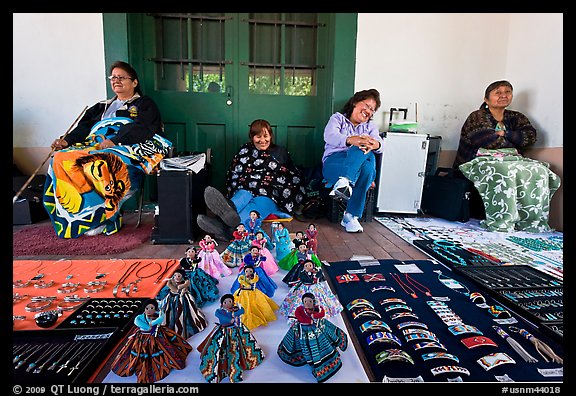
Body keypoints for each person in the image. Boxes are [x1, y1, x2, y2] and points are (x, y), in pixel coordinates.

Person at [44, 60, 172, 238]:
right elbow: (84, 128)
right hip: (95, 143)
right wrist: (67, 141)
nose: (116, 81)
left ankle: (105, 217)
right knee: (60, 158)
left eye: (121, 77)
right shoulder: (101, 107)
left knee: (103, 161)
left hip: (126, 145)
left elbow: (144, 128)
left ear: (134, 82)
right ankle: (82, 218)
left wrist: (117, 141)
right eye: (113, 77)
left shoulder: (144, 104)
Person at [454, 80, 561, 233]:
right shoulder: (477, 116)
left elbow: (530, 137)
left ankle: (531, 222)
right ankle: (502, 221)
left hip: (512, 159)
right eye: (498, 92)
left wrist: (506, 133)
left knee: (540, 171)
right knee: (504, 171)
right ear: (486, 99)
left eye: (507, 92)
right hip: (476, 160)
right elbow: (487, 140)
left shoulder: (517, 117)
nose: (503, 95)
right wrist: (515, 140)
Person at [197, 119, 306, 241]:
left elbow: (290, 174)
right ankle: (226, 215)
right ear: (251, 137)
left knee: (252, 209)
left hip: (269, 194)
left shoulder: (280, 152)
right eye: (258, 137)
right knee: (242, 196)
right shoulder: (245, 150)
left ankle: (224, 228)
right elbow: (235, 172)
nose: (263, 140)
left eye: (266, 136)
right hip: (246, 188)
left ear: (271, 135)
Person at [322, 89, 384, 233]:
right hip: (335, 163)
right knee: (367, 166)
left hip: (356, 167)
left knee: (366, 155)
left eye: (372, 110)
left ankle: (344, 184)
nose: (369, 111)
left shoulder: (370, 127)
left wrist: (376, 144)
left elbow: (380, 144)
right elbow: (329, 136)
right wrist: (350, 140)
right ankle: (350, 216)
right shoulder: (337, 119)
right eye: (367, 106)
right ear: (355, 102)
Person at [111, 298, 192, 383]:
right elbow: (139, 323)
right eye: (147, 308)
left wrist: (155, 322)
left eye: (152, 308)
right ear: (144, 309)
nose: (149, 310)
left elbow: (160, 320)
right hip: (142, 338)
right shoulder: (139, 317)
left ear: (155, 309)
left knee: (166, 346)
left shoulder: (158, 315)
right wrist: (150, 325)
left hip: (157, 335)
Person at [277, 292, 348, 383]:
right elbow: (297, 314)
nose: (307, 303)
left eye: (309, 301)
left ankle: (325, 362)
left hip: (315, 328)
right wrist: (306, 319)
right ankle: (304, 357)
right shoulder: (300, 309)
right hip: (303, 328)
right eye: (305, 301)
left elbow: (321, 314)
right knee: (300, 342)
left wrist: (315, 314)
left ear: (313, 302)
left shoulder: (316, 309)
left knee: (322, 340)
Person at [197, 294, 265, 383]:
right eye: (225, 302)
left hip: (235, 329)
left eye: (230, 301)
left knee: (241, 345)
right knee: (218, 346)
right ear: (222, 304)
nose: (228, 303)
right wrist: (230, 319)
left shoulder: (234, 310)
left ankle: (243, 361)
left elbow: (242, 311)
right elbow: (220, 316)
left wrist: (239, 309)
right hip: (223, 330)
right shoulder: (219, 311)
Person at [157, 269, 208, 339]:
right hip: (172, 297)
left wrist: (183, 287)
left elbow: (186, 286)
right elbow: (170, 286)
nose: (176, 277)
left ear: (182, 276)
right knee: (170, 310)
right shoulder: (171, 281)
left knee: (185, 310)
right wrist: (178, 289)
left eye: (178, 276)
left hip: (183, 298)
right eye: (175, 275)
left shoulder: (185, 281)